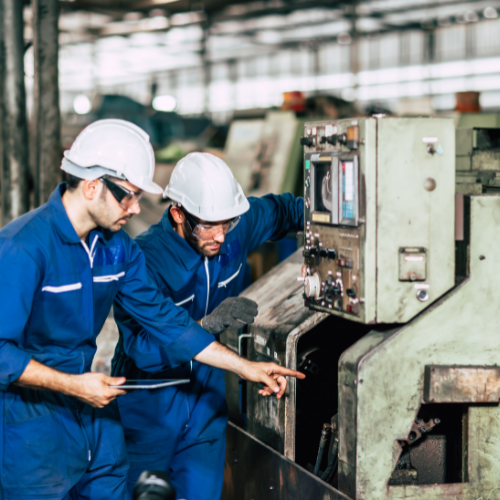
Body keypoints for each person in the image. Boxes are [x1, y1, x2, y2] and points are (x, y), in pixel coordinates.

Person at [0, 121, 302, 500]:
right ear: (93, 186)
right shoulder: (22, 248)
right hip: (33, 420)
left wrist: (247, 367)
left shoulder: (117, 251)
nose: (138, 208)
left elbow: (167, 321)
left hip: (94, 413)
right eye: (128, 196)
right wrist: (71, 384)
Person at [112, 152, 305, 500]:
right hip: (148, 404)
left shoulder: (231, 230)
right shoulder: (143, 260)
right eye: (207, 226)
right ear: (177, 213)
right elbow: (141, 349)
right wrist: (207, 324)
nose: (219, 236)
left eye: (226, 223)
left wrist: (339, 214)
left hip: (206, 400)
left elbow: (285, 211)